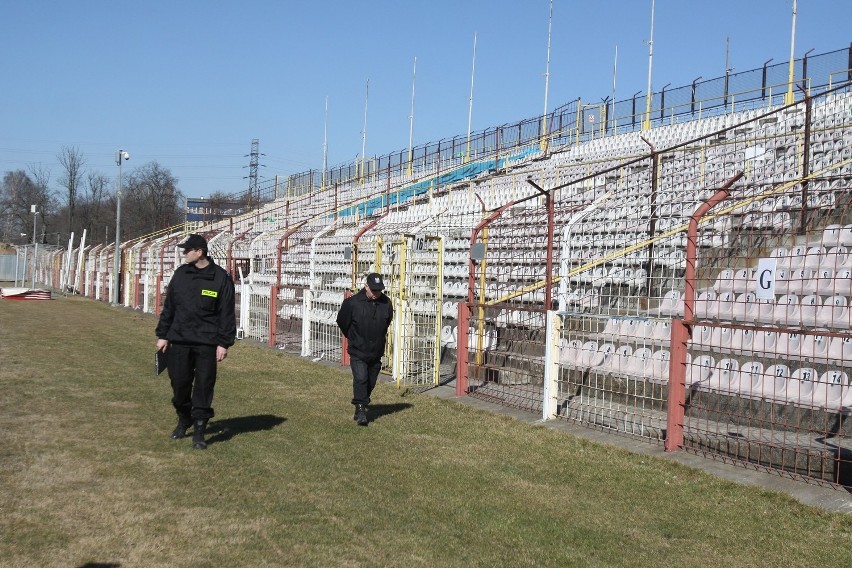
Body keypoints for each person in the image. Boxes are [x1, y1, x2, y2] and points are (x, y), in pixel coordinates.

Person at [155, 234, 236, 449]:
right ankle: (184, 416)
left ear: (199, 252)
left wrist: (223, 343)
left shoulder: (220, 278)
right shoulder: (181, 274)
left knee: (203, 386)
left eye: (187, 250)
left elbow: (226, 313)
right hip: (179, 340)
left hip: (206, 343)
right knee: (179, 385)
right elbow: (169, 306)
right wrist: (163, 335)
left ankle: (199, 430)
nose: (183, 254)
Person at [336, 272, 393, 426]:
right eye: (373, 290)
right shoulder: (352, 303)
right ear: (366, 286)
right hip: (358, 349)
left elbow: (387, 321)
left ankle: (361, 403)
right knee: (361, 378)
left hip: (376, 350)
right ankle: (361, 410)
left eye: (379, 290)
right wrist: (354, 337)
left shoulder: (386, 303)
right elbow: (342, 321)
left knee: (371, 382)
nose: (376, 293)